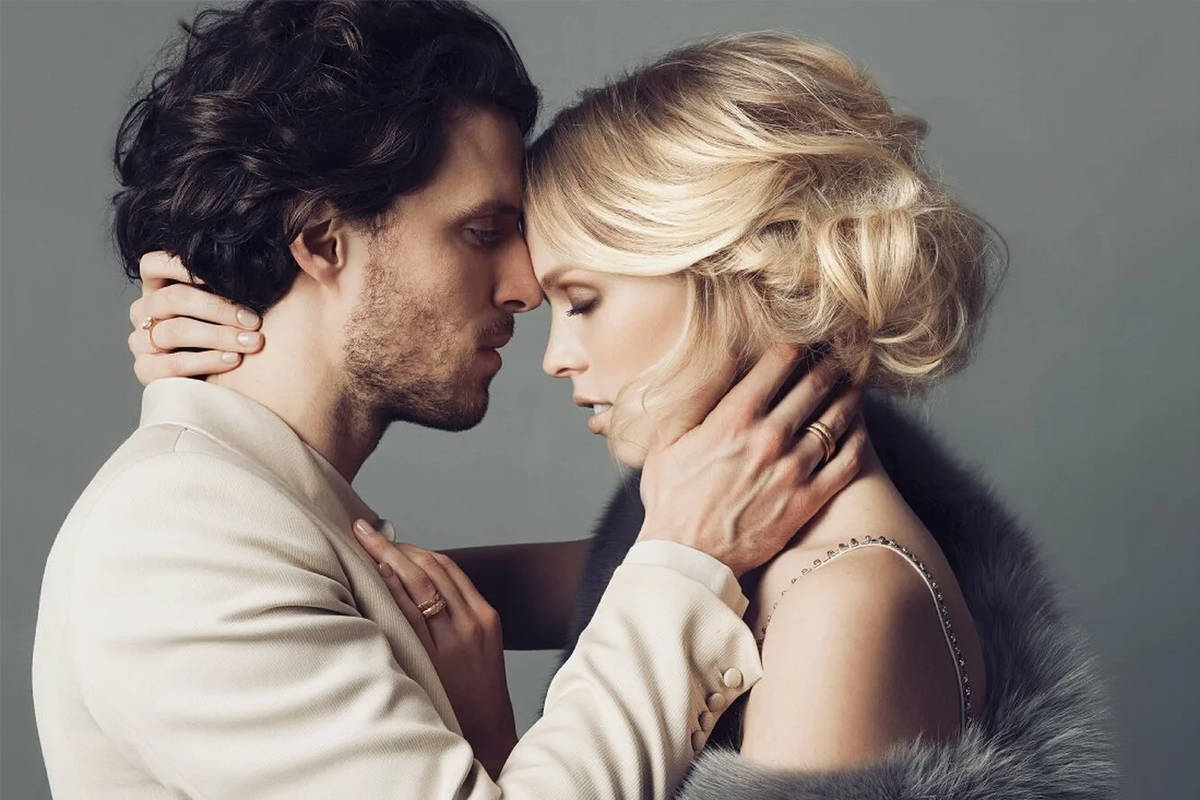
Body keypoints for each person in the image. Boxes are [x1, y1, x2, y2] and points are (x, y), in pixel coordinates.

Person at [132, 28, 1118, 800]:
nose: (553, 351)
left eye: (585, 299)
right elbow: (605, 573)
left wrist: (491, 740)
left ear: (741, 272)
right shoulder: (763, 542)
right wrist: (244, 334)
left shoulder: (842, 606)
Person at [31, 4, 868, 798]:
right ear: (323, 240)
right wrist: (686, 559)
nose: (527, 286)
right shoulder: (176, 538)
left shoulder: (253, 516)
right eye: (481, 232)